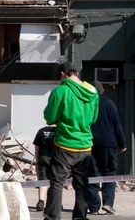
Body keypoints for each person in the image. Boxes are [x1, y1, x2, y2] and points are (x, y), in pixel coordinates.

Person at [42, 60, 98, 220]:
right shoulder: (93, 91)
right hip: (85, 145)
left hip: (64, 144)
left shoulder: (60, 91)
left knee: (57, 183)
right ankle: (80, 217)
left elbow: (49, 117)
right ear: (76, 72)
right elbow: (93, 118)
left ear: (62, 74)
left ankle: (53, 217)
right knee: (82, 185)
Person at [87, 82, 126, 215]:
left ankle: (93, 207)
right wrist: (122, 144)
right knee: (109, 173)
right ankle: (108, 204)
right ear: (102, 90)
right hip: (109, 145)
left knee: (92, 174)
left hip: (90, 144)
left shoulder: (86, 104)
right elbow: (117, 125)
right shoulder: (109, 104)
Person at [33, 124, 56, 212]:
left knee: (43, 180)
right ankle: (55, 202)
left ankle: (41, 202)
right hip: (56, 158)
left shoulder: (41, 131)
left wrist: (37, 161)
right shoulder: (60, 130)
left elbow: (37, 149)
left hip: (43, 157)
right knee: (56, 181)